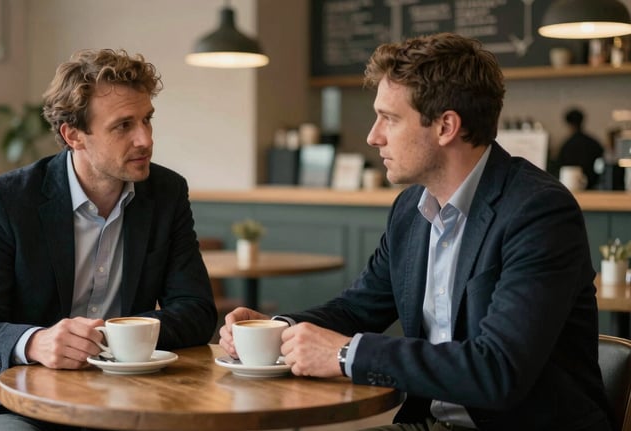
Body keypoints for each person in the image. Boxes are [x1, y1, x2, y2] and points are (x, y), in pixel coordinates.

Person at [220, 33, 610, 430]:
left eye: (388, 118)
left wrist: (344, 355)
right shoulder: (411, 209)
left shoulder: (538, 212)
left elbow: (498, 370)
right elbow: (357, 309)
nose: (373, 136)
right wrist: (275, 330)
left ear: (445, 126)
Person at [0, 49, 217, 431]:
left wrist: (110, 337)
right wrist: (36, 342)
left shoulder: (166, 193)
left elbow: (197, 311)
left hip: (128, 396)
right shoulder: (7, 200)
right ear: (74, 136)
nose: (145, 139)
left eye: (147, 120)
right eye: (123, 126)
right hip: (13, 403)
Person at [555, 108, 605, 189]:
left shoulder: (567, 145)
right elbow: (601, 164)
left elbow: (558, 166)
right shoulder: (593, 143)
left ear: (568, 124)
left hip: (570, 188)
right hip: (593, 187)